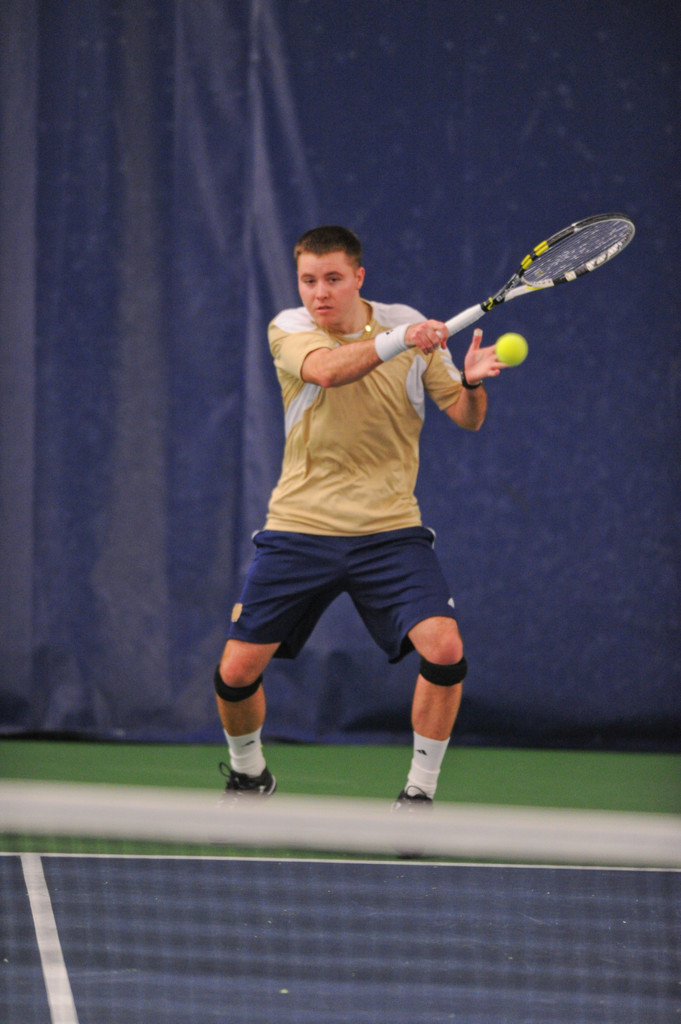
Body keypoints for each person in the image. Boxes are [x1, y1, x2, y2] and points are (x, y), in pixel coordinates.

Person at [214, 225, 505, 808]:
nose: (318, 292)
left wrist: (471, 384)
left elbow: (466, 416)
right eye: (308, 279)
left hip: (389, 529)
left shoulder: (406, 320)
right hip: (300, 526)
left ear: (359, 278)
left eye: (332, 279)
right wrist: (402, 339)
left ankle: (419, 795)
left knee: (445, 649)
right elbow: (327, 371)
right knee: (237, 671)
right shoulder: (290, 328)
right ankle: (250, 774)